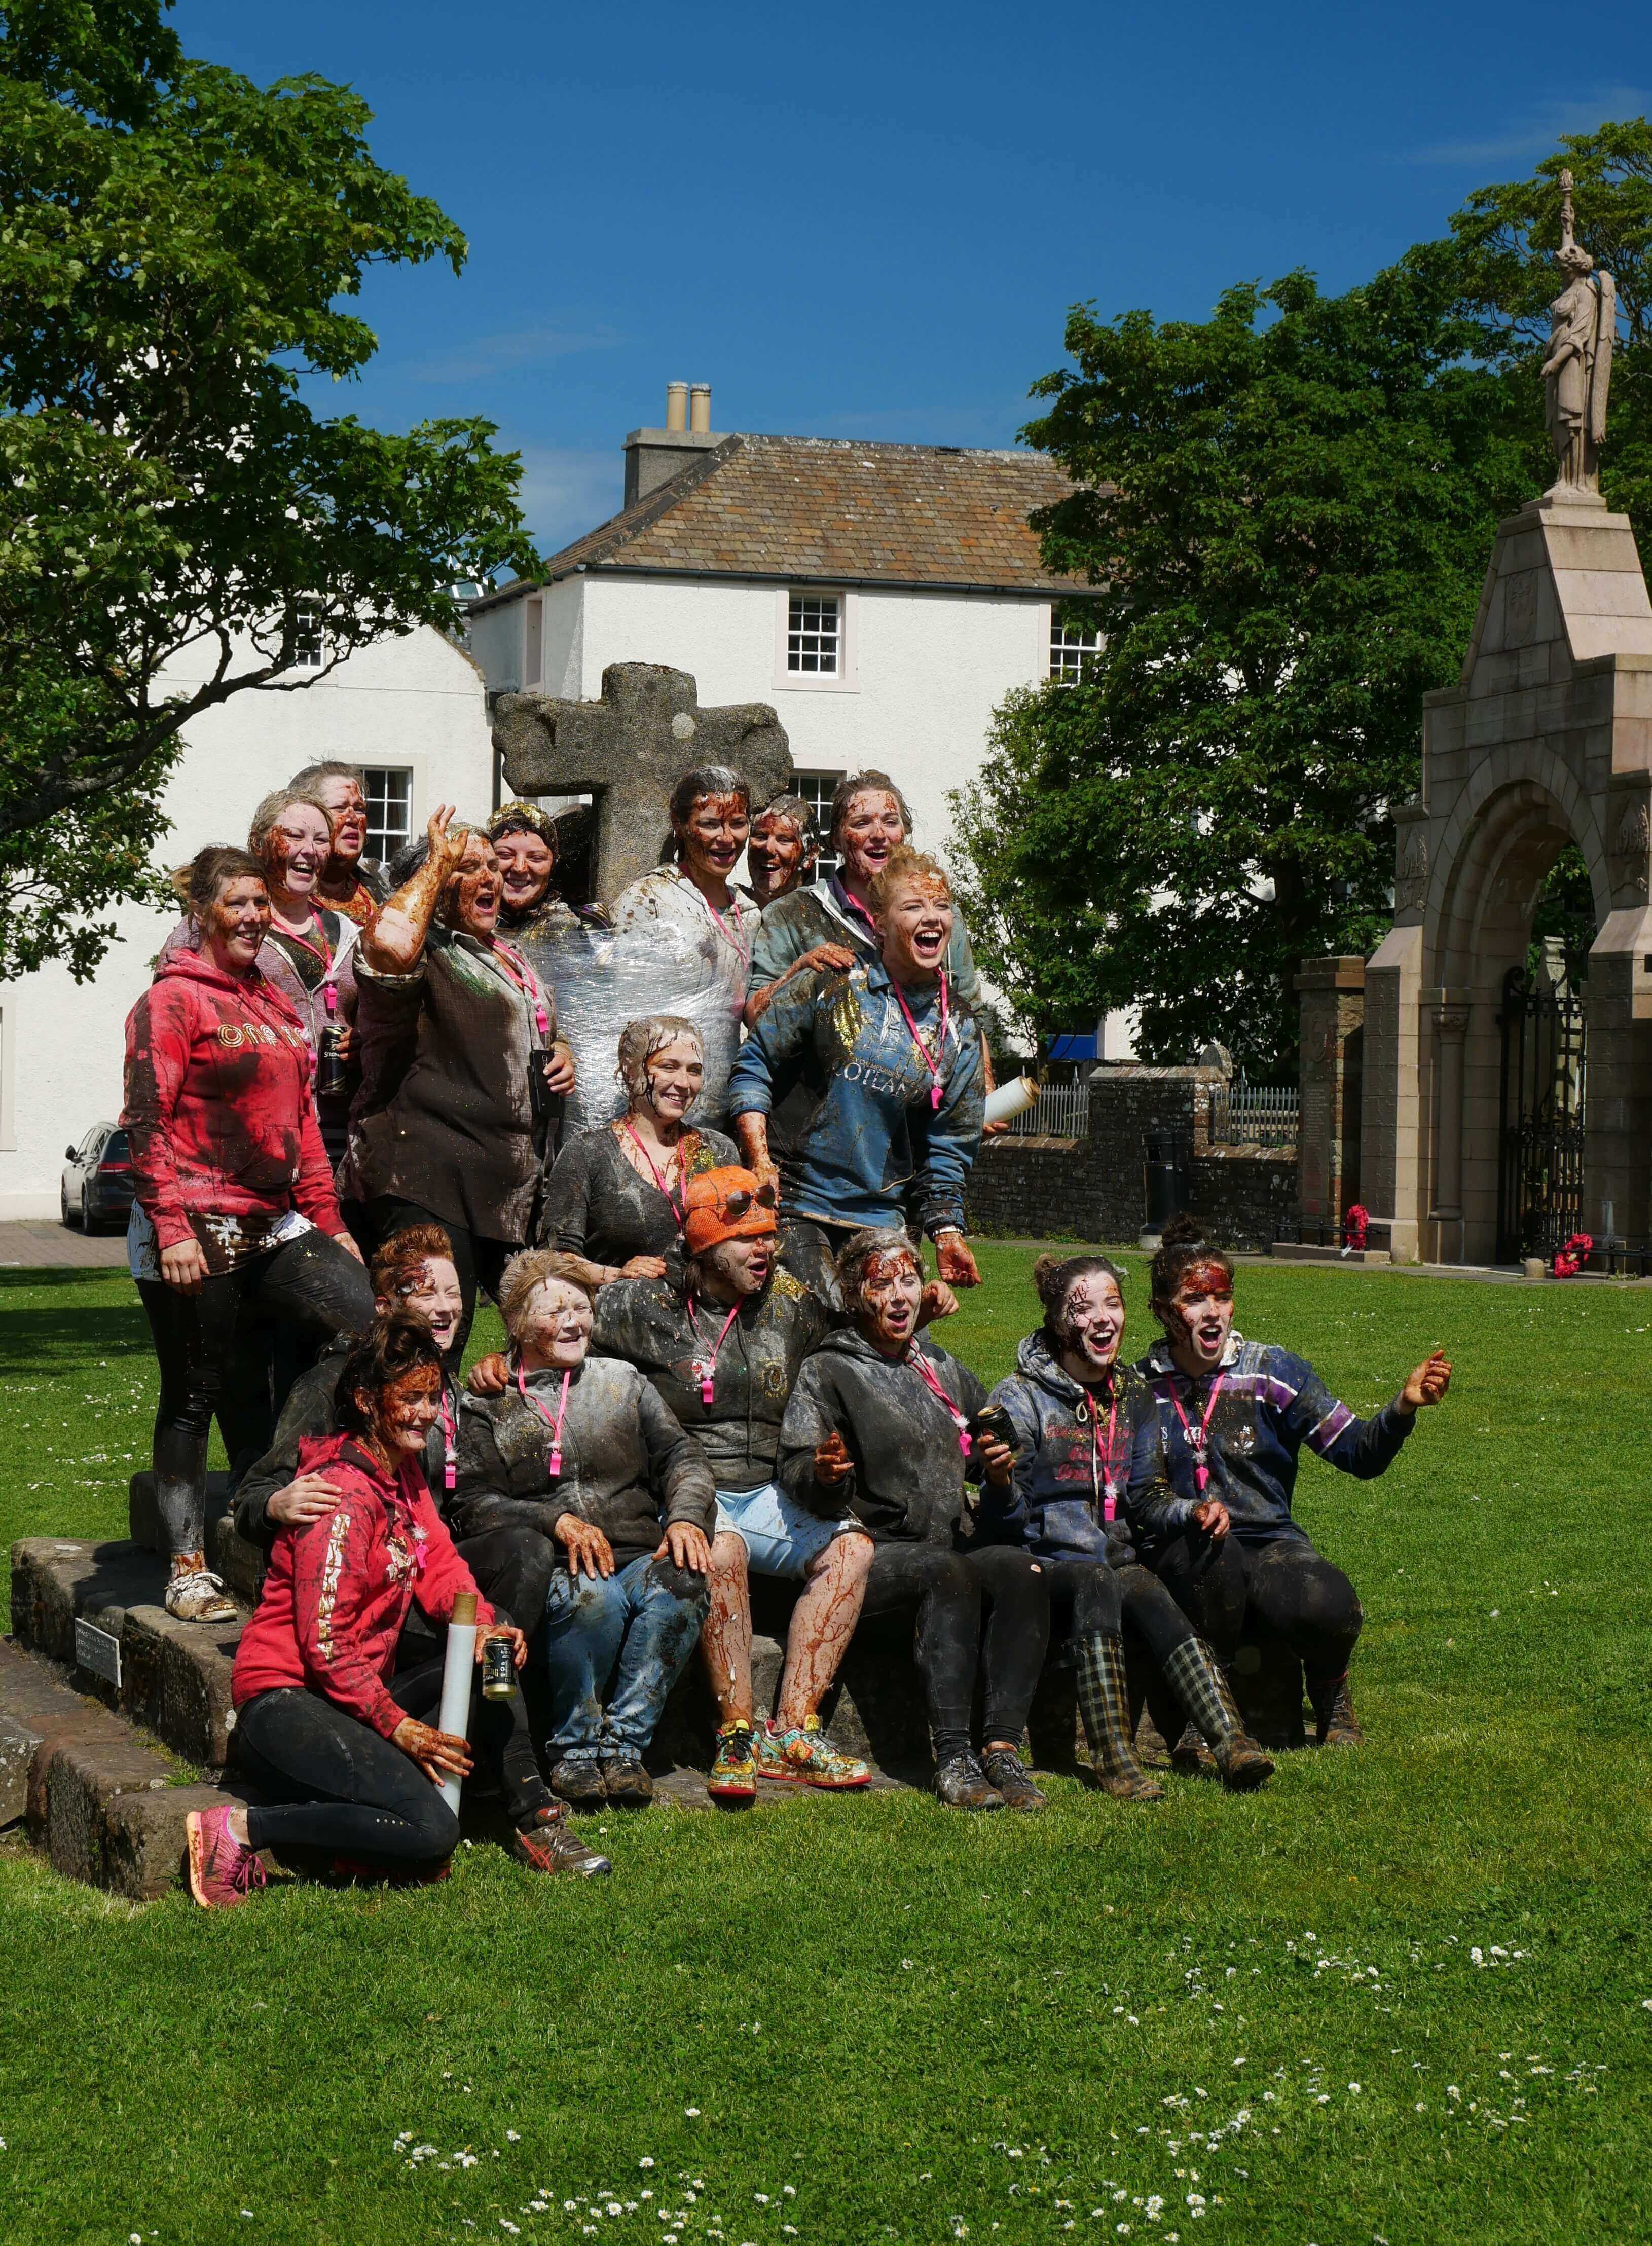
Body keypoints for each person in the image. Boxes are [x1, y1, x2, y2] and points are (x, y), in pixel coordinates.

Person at [184, 1315, 603, 1907]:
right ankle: (240, 1830)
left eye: (433, 1397)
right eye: (410, 1398)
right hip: (286, 1701)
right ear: (365, 1400)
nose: (427, 1412)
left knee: (496, 1660)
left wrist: (484, 1625)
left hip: (348, 1699)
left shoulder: (399, 1473)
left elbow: (440, 1564)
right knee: (432, 1833)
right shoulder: (343, 1497)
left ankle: (537, 1818)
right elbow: (324, 1645)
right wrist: (398, 1725)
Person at [121, 847, 374, 1623]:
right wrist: (170, 1226)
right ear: (201, 912)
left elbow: (301, 1126)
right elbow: (145, 1119)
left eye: (261, 903)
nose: (254, 916)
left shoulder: (274, 1002)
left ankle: (266, 1485)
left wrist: (331, 1224)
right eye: (237, 902)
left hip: (270, 1220)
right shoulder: (170, 1001)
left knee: (361, 1321)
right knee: (195, 1391)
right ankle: (188, 1567)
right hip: (191, 1220)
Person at [581, 1166, 878, 1803]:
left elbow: (865, 1328)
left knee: (852, 1549)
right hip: (688, 1494)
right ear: (705, 1246)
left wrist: (922, 1315)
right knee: (723, 1552)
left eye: (769, 1235)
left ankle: (794, 1733)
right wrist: (504, 1368)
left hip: (772, 1488)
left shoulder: (791, 1302)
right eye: (746, 1239)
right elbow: (553, 1316)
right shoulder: (647, 1305)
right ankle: (737, 1732)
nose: (764, 1249)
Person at [1139, 1216, 1452, 1747]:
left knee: (1325, 1602)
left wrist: (1402, 1408)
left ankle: (1331, 1694)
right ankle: (1205, 1710)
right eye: (1195, 1299)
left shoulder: (1272, 1372)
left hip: (1268, 1540)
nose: (1213, 1312)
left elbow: (1357, 1452)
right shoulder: (1140, 1387)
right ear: (1162, 1312)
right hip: (1184, 1545)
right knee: (1209, 1571)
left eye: (1223, 1296)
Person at [977, 1254, 1272, 1799]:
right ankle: (1114, 1758)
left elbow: (1146, 1495)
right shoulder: (1019, 1397)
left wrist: (1192, 1510)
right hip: (1048, 1561)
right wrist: (997, 1483)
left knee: (1152, 1595)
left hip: (1114, 1556)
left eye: (1112, 1304)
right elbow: (1002, 1522)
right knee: (1099, 1582)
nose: (1103, 1319)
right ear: (1059, 1322)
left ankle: (1231, 1742)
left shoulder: (1132, 1393)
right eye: (1084, 1308)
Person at [777, 1227, 1048, 1811]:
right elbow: (797, 1469)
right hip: (875, 1558)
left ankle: (1001, 1750)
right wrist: (826, 1475)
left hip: (954, 1544)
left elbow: (992, 1443)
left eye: (908, 1280)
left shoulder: (941, 1365)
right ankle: (952, 1757)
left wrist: (997, 1467)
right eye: (882, 1284)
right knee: (946, 1571)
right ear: (854, 1296)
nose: (900, 1296)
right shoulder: (830, 1370)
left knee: (1023, 1571)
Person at [450, 1251, 715, 1806]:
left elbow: (682, 1457)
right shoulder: (486, 1403)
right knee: (591, 1598)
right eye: (555, 1311)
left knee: (685, 1585)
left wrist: (687, 1517)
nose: (574, 1321)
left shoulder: (622, 1380)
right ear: (518, 1323)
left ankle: (624, 1748)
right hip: (556, 1562)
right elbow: (473, 1503)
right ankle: (574, 1750)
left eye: (581, 1307)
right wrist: (554, 1521)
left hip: (639, 1551)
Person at [341, 806, 576, 1356]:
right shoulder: (425, 952)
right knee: (431, 1338)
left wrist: (559, 1051)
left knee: (547, 1327)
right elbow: (389, 947)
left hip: (500, 1186)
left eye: (491, 866)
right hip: (424, 1178)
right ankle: (393, 1442)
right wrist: (433, 865)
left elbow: (534, 1030)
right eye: (466, 868)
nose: (490, 877)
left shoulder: (506, 957)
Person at [728, 846, 985, 1291]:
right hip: (797, 1202)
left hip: (885, 1218)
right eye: (913, 907)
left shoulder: (959, 1028)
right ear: (879, 923)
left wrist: (946, 1233)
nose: (932, 918)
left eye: (941, 907)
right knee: (811, 1310)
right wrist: (758, 1157)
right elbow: (755, 1065)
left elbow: (949, 1146)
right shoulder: (832, 983)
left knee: (880, 1332)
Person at [603, 765, 761, 1127]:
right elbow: (622, 1020)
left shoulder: (749, 913)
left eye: (737, 823)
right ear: (679, 823)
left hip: (722, 1110)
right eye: (709, 824)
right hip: (655, 1110)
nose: (726, 838)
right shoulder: (648, 901)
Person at [535, 1016, 738, 1281]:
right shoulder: (588, 1152)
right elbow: (554, 1258)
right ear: (631, 1070)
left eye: (695, 1070)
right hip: (619, 1313)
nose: (684, 1083)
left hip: (705, 1315)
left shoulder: (720, 1151)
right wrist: (619, 1275)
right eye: (668, 1067)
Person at [287, 760, 386, 925]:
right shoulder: (274, 894)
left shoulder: (382, 883)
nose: (354, 819)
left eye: (360, 809)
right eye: (340, 808)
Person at [741, 793, 818, 911]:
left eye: (784, 840)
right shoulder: (724, 908)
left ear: (810, 855)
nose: (768, 849)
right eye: (761, 837)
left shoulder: (821, 919)